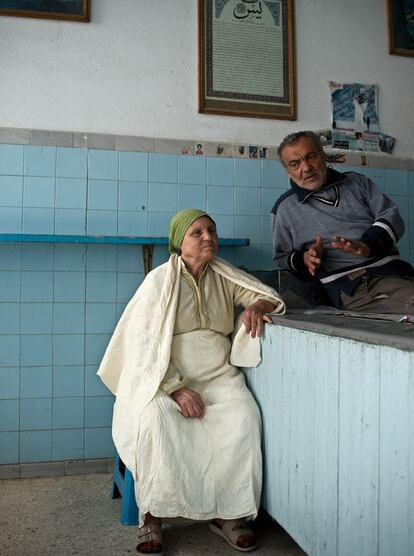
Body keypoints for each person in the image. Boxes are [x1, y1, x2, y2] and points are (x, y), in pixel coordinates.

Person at [98, 209, 285, 554]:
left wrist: (256, 306)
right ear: (178, 242)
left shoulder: (224, 276)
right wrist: (177, 388)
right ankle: (152, 517)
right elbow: (144, 345)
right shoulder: (159, 280)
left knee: (242, 416)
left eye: (211, 230)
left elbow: (267, 297)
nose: (207, 238)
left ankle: (227, 515)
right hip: (164, 377)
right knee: (155, 420)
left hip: (218, 376)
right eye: (196, 232)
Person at [271, 131, 414, 313]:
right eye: (295, 164)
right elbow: (281, 258)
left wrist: (368, 244)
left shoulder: (357, 183)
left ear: (323, 156)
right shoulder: (284, 209)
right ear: (289, 172)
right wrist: (306, 259)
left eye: (311, 156)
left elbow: (391, 215)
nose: (306, 168)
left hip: (395, 272)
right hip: (351, 286)